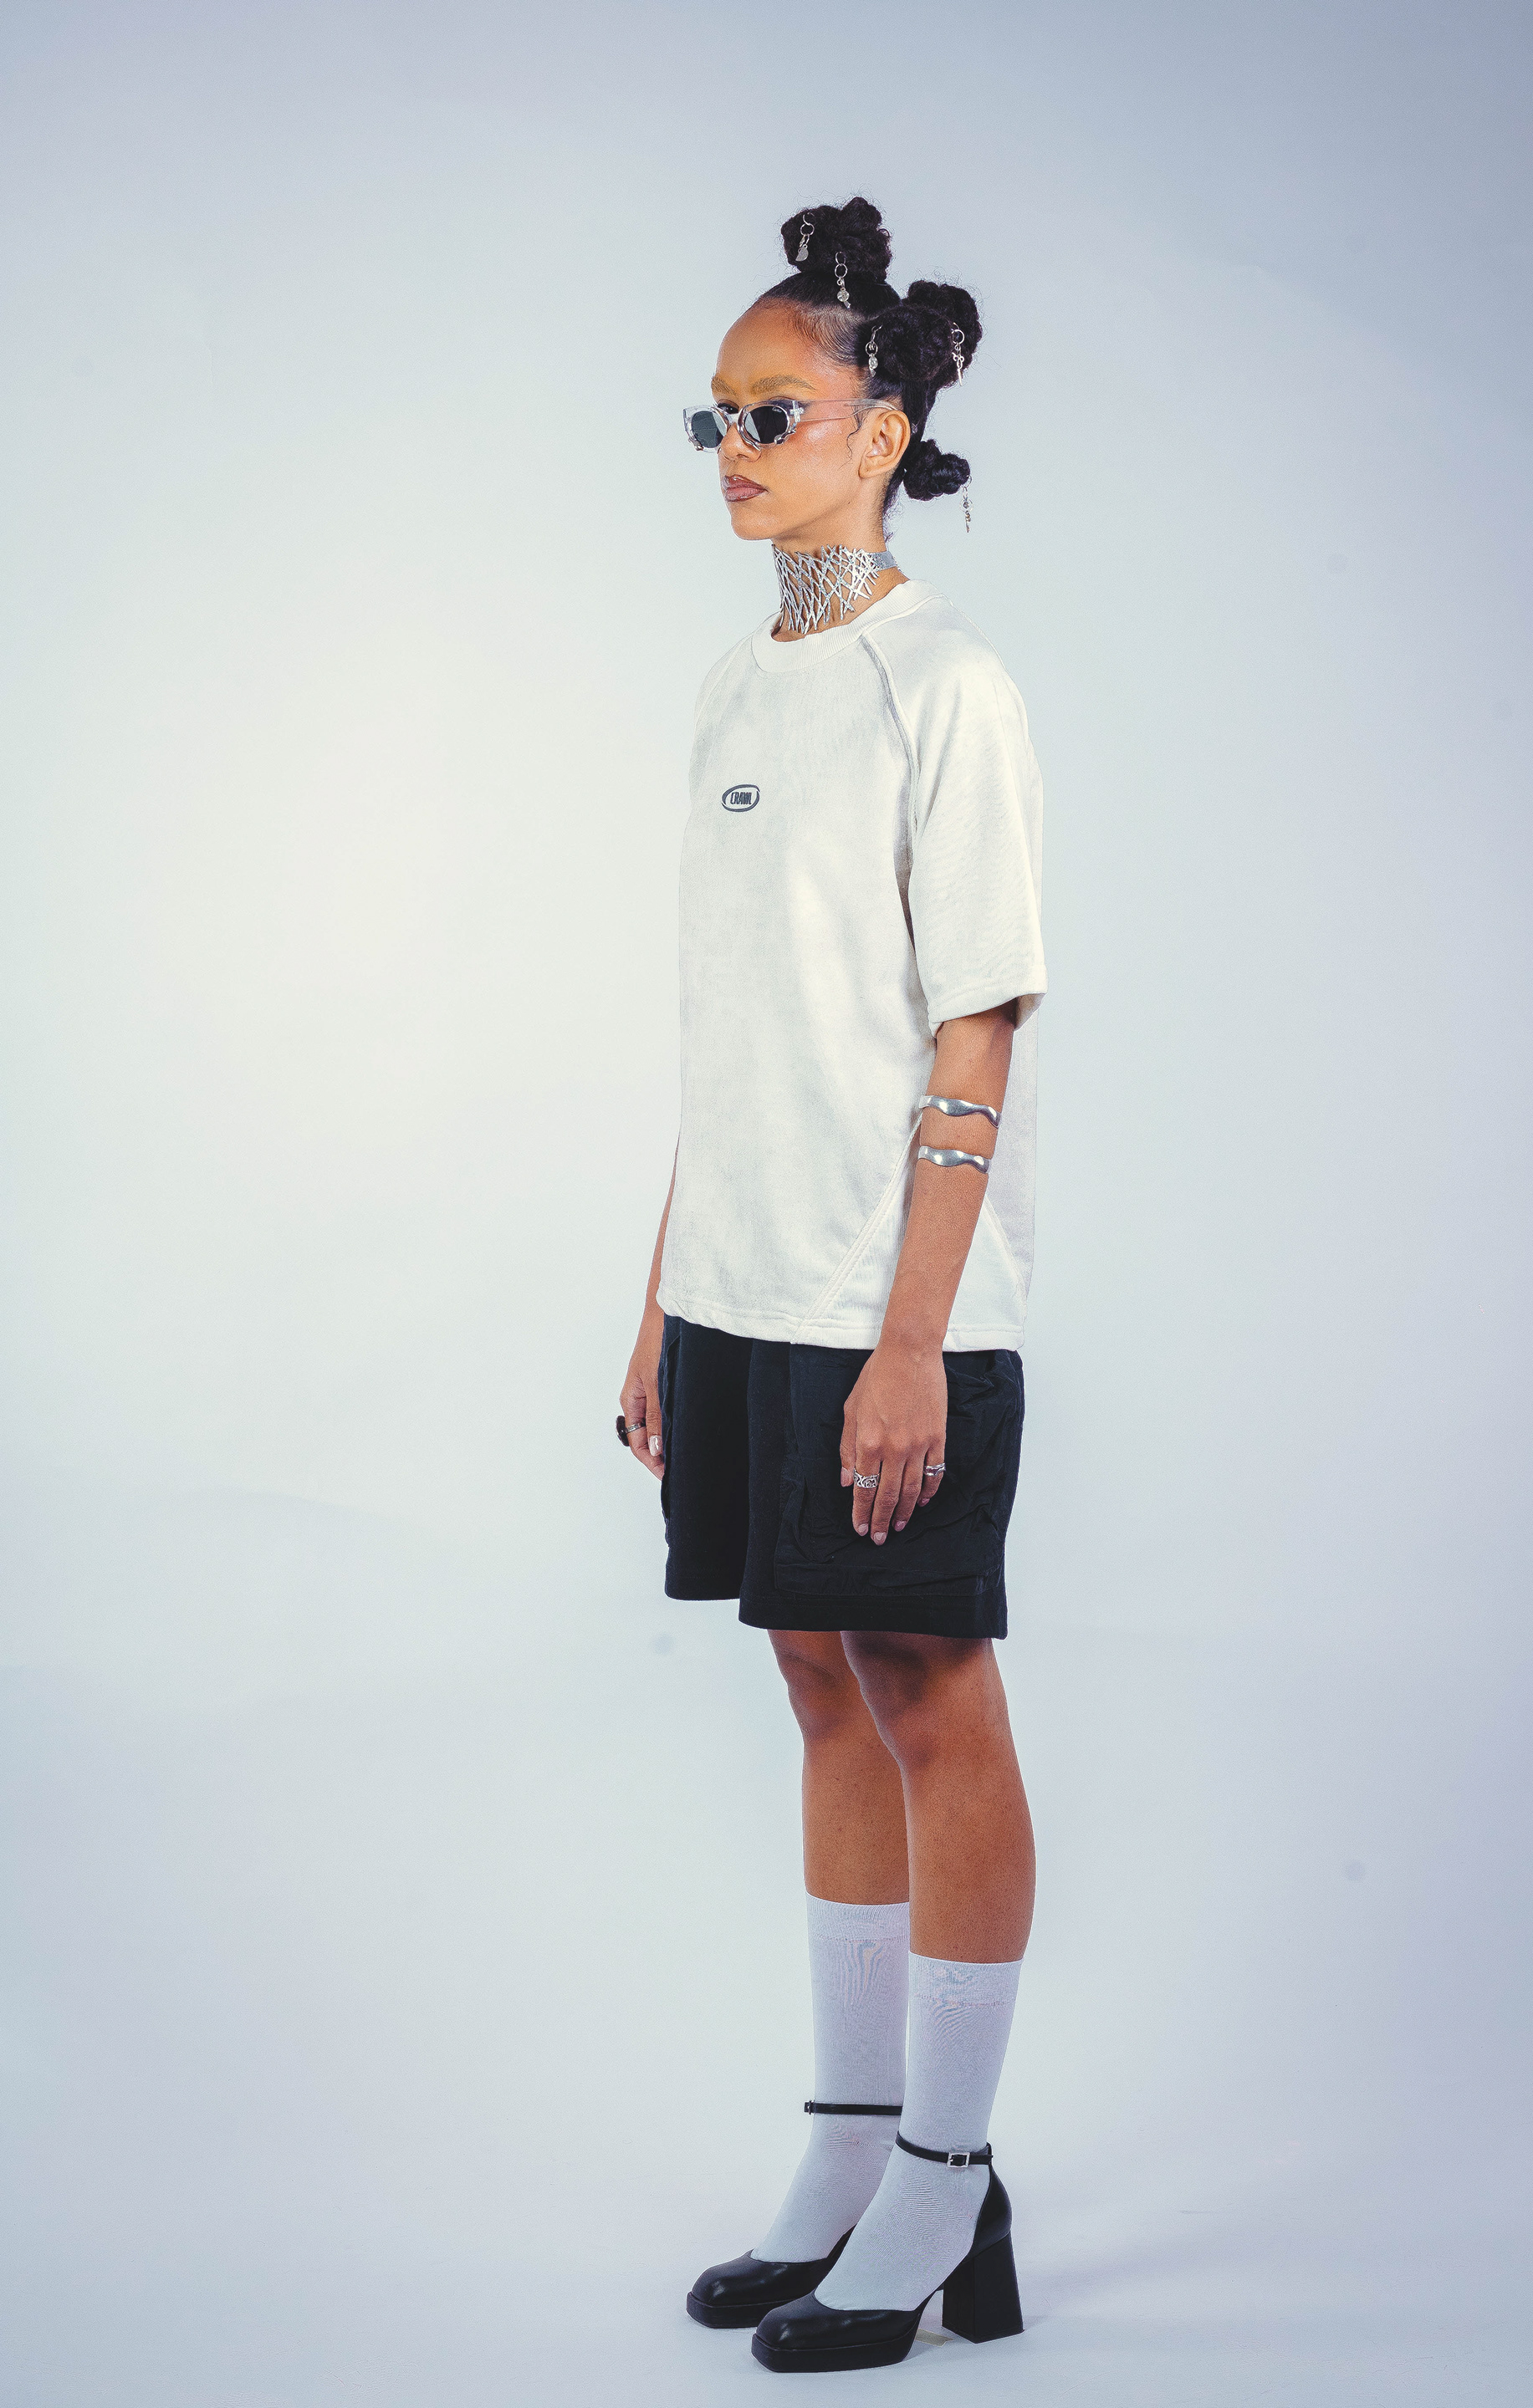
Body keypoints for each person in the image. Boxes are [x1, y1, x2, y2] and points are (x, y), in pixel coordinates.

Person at [617, 195, 1047, 2376]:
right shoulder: (733, 682)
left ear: (881, 432)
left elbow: (974, 1034)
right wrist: (661, 1297)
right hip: (743, 1289)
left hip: (895, 1311)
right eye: (714, 414)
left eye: (772, 412)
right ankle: (851, 2149)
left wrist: (910, 1344)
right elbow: (740, 1032)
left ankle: (953, 2187)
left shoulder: (947, 686)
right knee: (813, 1679)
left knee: (925, 1683)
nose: (734, 447)